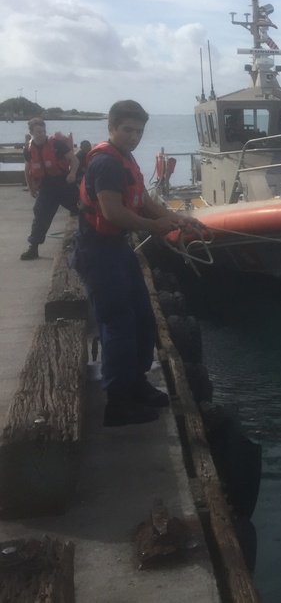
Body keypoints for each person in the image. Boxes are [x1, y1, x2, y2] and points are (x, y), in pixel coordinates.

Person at [73, 100, 203, 427]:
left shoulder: (125, 158)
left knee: (143, 319)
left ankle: (136, 382)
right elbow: (112, 213)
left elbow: (143, 201)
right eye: (127, 130)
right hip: (99, 253)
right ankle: (118, 404)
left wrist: (178, 218)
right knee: (118, 326)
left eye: (139, 131)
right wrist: (154, 227)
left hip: (118, 249)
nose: (134, 137)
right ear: (111, 128)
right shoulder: (106, 163)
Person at [21, 118, 80, 260]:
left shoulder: (57, 144)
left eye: (43, 131)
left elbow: (75, 160)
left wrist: (72, 173)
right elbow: (27, 169)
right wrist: (30, 187)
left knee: (83, 209)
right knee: (40, 216)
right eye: (38, 132)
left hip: (64, 183)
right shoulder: (28, 149)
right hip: (46, 187)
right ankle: (33, 248)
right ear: (32, 133)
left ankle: (92, 239)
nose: (41, 134)